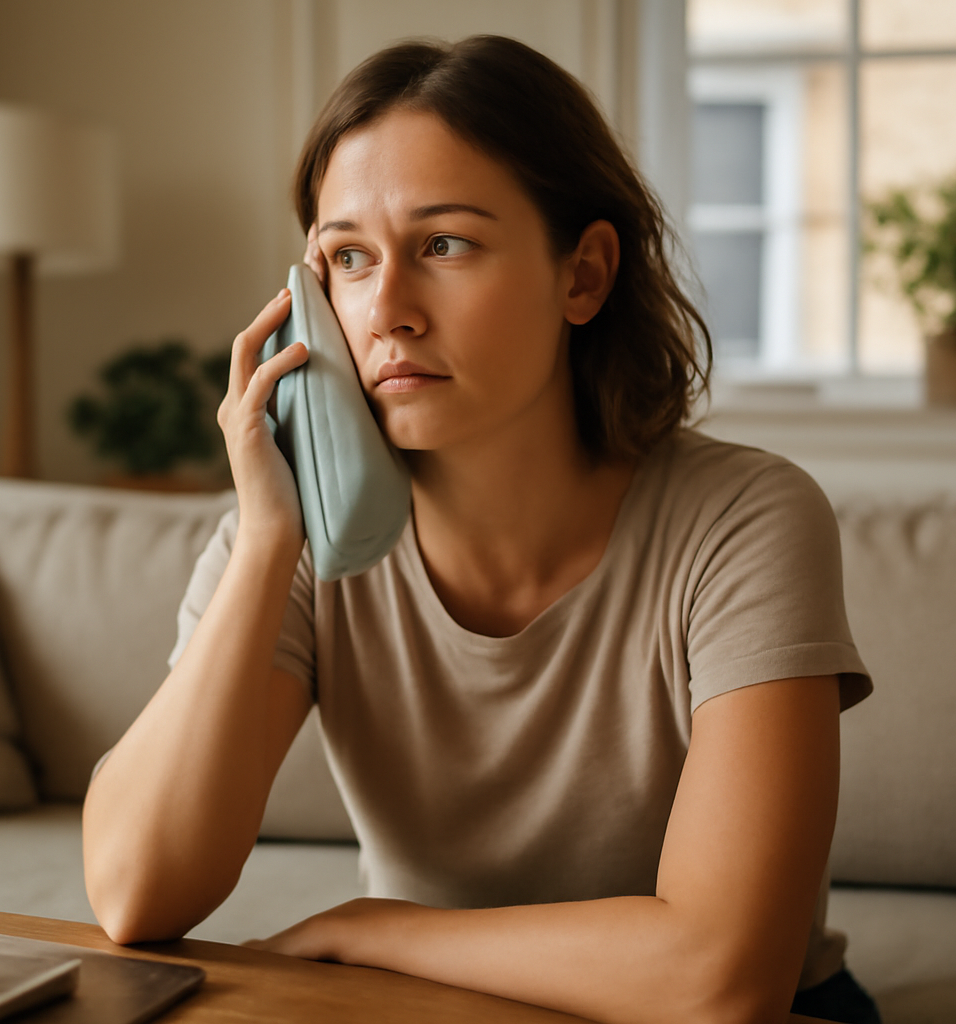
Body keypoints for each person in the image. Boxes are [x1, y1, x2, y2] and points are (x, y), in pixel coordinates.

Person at [83, 35, 881, 1024]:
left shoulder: (744, 521)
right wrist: (264, 545)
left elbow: (721, 979)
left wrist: (371, 932)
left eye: (444, 245)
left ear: (583, 275)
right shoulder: (288, 540)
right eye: (348, 259)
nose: (388, 311)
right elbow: (135, 891)